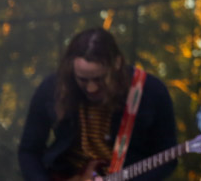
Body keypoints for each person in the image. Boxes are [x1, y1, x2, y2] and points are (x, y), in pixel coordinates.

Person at [18, 27, 178, 181]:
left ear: (117, 63)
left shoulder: (151, 92)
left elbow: (168, 159)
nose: (91, 88)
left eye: (99, 79)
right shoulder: (52, 87)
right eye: (82, 79)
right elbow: (29, 150)